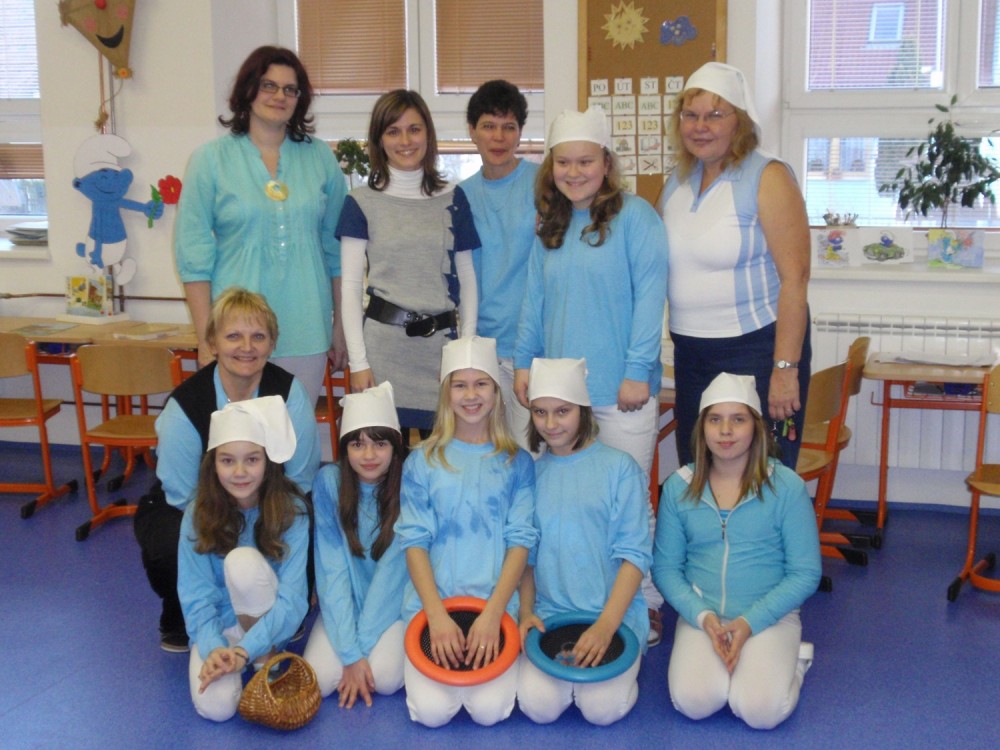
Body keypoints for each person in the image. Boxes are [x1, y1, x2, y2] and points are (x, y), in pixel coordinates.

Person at [512, 106, 668, 644]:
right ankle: (563, 599)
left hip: (620, 393)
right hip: (561, 396)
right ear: (550, 166)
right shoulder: (551, 225)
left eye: (585, 161)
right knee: (563, 503)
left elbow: (650, 298)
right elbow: (534, 299)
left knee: (629, 504)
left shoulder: (638, 219)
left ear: (606, 163)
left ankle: (644, 602)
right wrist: (525, 360)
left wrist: (636, 370)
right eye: (564, 162)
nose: (574, 172)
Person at [134, 287, 319, 653]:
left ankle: (278, 609)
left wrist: (263, 523)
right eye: (233, 336)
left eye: (258, 337)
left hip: (272, 499)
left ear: (272, 344)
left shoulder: (290, 394)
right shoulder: (184, 407)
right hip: (202, 503)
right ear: (213, 343)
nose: (246, 347)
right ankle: (184, 613)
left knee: (305, 526)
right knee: (172, 540)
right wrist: (231, 532)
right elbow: (183, 494)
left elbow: (299, 478)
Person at [658, 61, 811, 470]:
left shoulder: (768, 176)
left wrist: (785, 369)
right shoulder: (677, 181)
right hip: (691, 354)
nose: (700, 127)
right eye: (690, 115)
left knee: (760, 475)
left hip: (756, 351)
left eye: (714, 115)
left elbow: (795, 279)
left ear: (739, 121)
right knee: (699, 471)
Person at [175, 45, 347, 405]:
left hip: (306, 325)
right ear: (249, 89)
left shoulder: (320, 158)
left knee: (293, 430)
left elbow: (337, 251)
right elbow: (193, 255)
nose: (279, 96)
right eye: (269, 85)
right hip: (236, 333)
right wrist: (207, 336)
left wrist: (340, 326)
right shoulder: (210, 159)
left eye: (290, 89)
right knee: (240, 435)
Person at [652, 373, 821, 730]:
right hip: (704, 618)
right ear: (702, 428)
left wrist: (749, 622)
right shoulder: (679, 488)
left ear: (757, 428)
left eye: (738, 419)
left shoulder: (786, 487)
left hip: (769, 616)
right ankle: (740, 665)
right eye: (715, 419)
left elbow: (805, 573)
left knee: (761, 712)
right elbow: (666, 570)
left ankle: (795, 661)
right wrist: (702, 616)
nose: (725, 431)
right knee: (693, 702)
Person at [395, 336, 537, 727]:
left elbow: (520, 543)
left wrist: (493, 615)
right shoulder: (422, 461)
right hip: (432, 608)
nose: (471, 395)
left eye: (481, 384)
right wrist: (436, 616)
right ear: (446, 393)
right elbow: (414, 543)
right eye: (460, 385)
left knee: (490, 712)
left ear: (496, 391)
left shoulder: (517, 463)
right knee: (431, 713)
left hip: (494, 608)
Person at [517, 358, 651, 726]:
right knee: (538, 708)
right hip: (551, 616)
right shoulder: (531, 475)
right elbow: (526, 558)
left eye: (563, 411)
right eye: (540, 412)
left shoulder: (619, 468)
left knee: (601, 711)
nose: (550, 423)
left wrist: (606, 626)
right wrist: (526, 612)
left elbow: (634, 556)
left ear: (583, 411)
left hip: (613, 616)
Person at [337, 90, 480, 433]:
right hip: (383, 355)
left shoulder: (454, 198)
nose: (405, 141)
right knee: (385, 459)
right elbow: (351, 288)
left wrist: (466, 355)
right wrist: (358, 362)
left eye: (414, 129)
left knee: (442, 458)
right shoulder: (360, 202)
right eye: (393, 131)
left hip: (442, 357)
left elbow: (468, 279)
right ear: (379, 139)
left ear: (428, 134)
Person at [178, 396, 310, 722]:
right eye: (227, 461)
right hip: (220, 627)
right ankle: (246, 658)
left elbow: (293, 600)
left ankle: (266, 654)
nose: (240, 472)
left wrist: (245, 650)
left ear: (268, 462)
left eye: (252, 459)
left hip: (267, 620)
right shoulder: (197, 513)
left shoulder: (292, 511)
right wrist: (215, 649)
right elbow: (197, 596)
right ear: (213, 464)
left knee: (242, 561)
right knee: (216, 709)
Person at [303, 382, 408, 708]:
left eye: (380, 444)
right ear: (344, 448)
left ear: (395, 447)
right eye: (357, 444)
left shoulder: (409, 487)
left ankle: (363, 650)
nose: (369, 455)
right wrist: (350, 654)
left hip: (392, 608)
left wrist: (357, 650)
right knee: (319, 680)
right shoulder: (329, 483)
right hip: (344, 603)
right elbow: (331, 569)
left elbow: (392, 578)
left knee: (385, 679)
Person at [460, 80, 540, 449]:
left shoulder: (544, 184)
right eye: (488, 126)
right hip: (483, 348)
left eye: (509, 126)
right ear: (472, 131)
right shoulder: (461, 196)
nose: (499, 137)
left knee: (531, 454)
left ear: (520, 132)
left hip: (535, 346)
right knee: (489, 453)